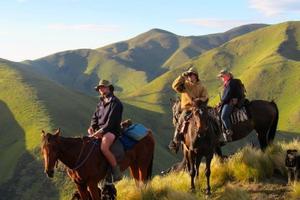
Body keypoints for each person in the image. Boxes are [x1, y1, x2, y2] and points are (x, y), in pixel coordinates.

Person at [88, 80, 123, 182]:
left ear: (109, 88)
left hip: (112, 131)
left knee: (104, 147)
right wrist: (91, 127)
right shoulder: (100, 103)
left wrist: (101, 132)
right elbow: (94, 117)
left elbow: (111, 122)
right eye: (99, 88)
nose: (101, 89)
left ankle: (116, 171)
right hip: (99, 130)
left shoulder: (116, 103)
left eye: (103, 87)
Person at [168, 67, 209, 152]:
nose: (190, 76)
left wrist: (199, 99)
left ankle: (216, 139)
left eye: (191, 74)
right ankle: (176, 141)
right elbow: (174, 86)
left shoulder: (201, 86)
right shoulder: (185, 85)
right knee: (181, 120)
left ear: (196, 76)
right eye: (189, 75)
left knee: (210, 118)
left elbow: (205, 97)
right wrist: (182, 76)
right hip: (187, 108)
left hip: (198, 108)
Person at [217, 69, 245, 142]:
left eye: (222, 76)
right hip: (228, 101)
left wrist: (222, 102)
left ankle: (229, 131)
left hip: (230, 102)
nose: (222, 78)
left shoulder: (230, 83)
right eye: (221, 77)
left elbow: (228, 95)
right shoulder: (228, 83)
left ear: (227, 75)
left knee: (223, 116)